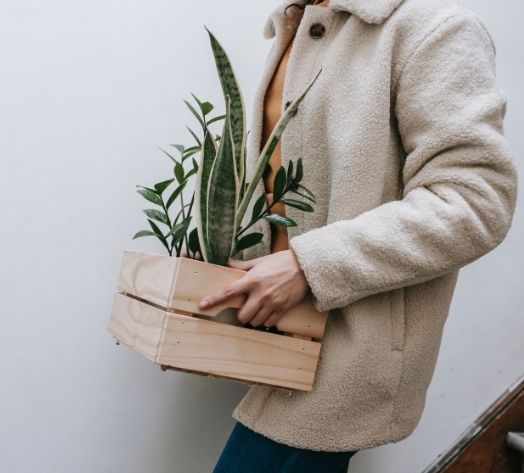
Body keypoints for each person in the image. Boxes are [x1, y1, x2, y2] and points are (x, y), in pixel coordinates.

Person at [200, 0, 519, 471]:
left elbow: (475, 201)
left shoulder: (436, 27)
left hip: (349, 352)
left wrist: (307, 264)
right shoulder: (304, 21)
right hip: (283, 340)